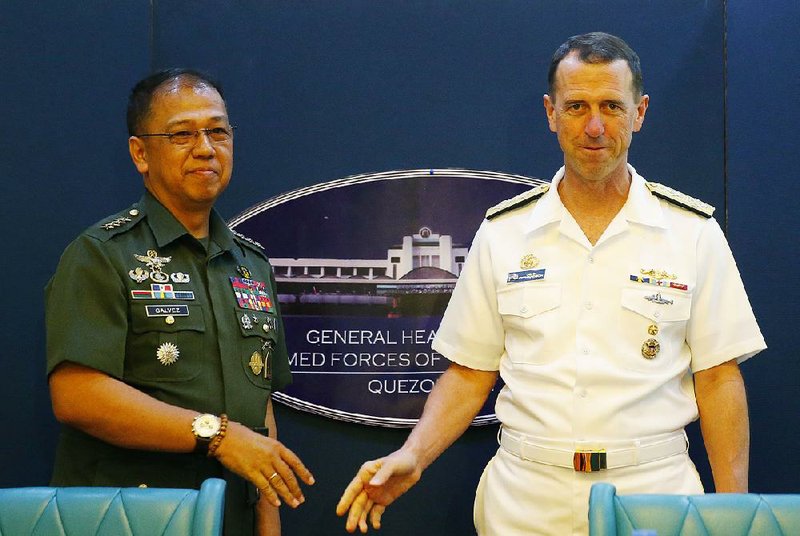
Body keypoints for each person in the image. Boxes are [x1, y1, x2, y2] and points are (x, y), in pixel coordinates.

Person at [336, 32, 766, 535]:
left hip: (655, 495)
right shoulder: (504, 232)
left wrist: (735, 512)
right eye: (577, 106)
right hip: (525, 502)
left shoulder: (692, 232)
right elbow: (470, 373)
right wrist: (415, 454)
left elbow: (717, 377)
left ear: (640, 112)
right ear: (551, 113)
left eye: (612, 106)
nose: (595, 126)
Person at [45, 68, 314, 536]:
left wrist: (268, 525)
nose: (205, 148)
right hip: (132, 519)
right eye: (182, 135)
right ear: (140, 153)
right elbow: (76, 396)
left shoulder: (251, 265)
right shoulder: (101, 254)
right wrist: (218, 436)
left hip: (231, 518)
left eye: (217, 131)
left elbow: (261, 405)